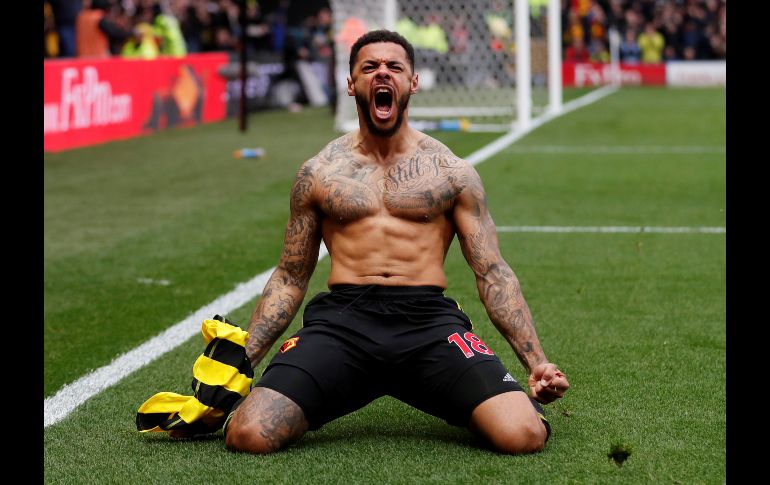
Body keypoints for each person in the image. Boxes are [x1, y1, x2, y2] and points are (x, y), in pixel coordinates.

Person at [224, 29, 570, 456]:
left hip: (427, 322)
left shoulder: (452, 172)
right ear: (351, 84)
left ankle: (481, 395)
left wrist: (536, 363)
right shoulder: (319, 173)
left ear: (413, 82)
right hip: (342, 324)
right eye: (369, 67)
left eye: (394, 67)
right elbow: (291, 275)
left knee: (523, 435)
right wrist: (242, 361)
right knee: (248, 434)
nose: (382, 74)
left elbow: (492, 272)